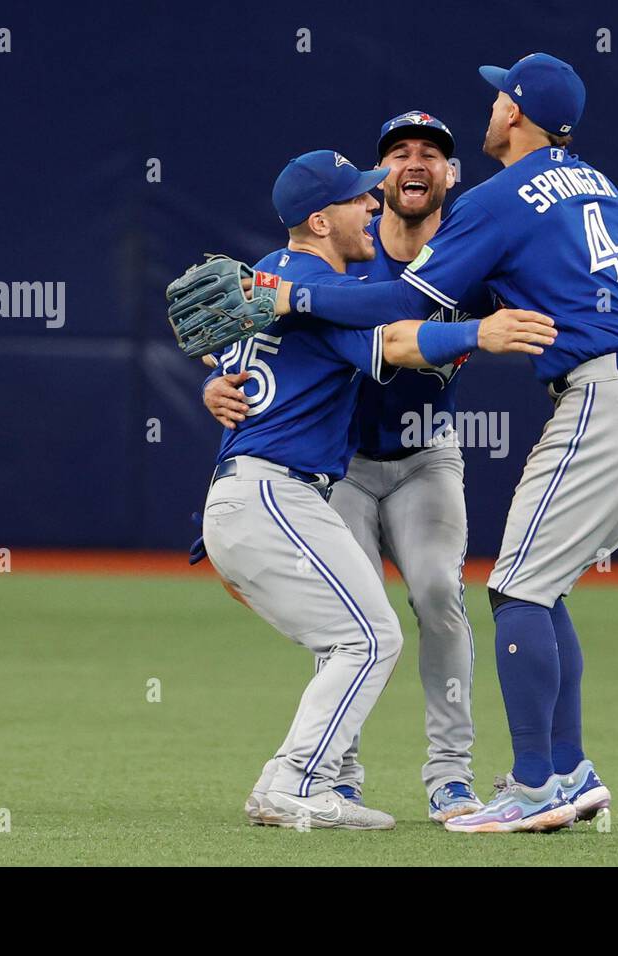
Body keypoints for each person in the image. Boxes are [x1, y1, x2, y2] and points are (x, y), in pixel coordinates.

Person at [250, 56, 618, 833]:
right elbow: (595, 306)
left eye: (499, 97)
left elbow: (399, 305)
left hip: (574, 408)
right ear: (374, 182)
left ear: (514, 118)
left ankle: (527, 787)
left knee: (511, 592)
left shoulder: (495, 204)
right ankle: (563, 768)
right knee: (540, 587)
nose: (491, 106)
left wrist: (292, 296)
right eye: (397, 155)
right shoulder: (598, 185)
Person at [194, 148, 555, 829]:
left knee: (362, 634)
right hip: (276, 494)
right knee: (366, 640)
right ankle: (301, 783)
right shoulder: (320, 289)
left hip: (258, 493)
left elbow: (230, 364)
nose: (374, 201)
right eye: (361, 196)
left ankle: (292, 776)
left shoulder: (266, 277)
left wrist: (211, 382)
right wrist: (481, 331)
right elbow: (396, 339)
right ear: (320, 220)